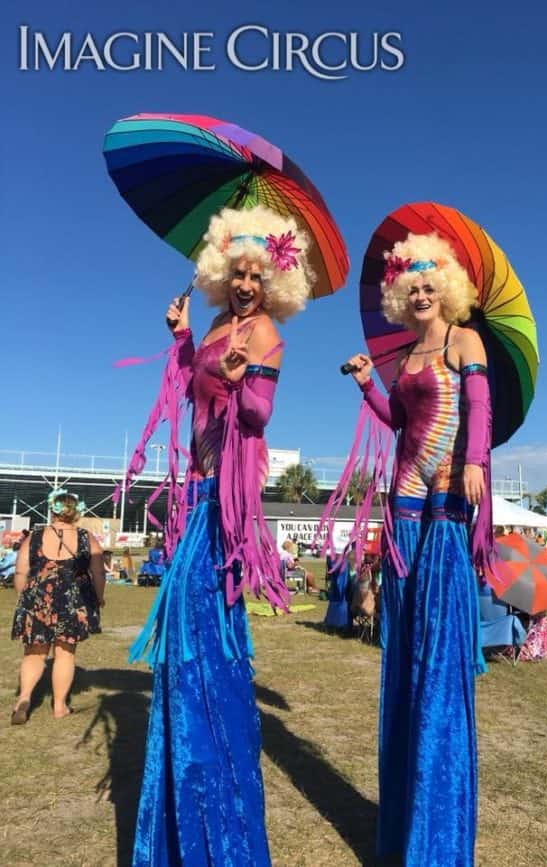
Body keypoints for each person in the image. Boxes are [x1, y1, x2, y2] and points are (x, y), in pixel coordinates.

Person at [127, 205, 315, 867]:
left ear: (271, 285)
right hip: (196, 498)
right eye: (234, 273)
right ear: (219, 276)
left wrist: (242, 377)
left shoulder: (265, 333)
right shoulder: (211, 325)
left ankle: (219, 823)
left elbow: (259, 415)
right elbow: (189, 389)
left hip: (226, 512)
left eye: (254, 276)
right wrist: (184, 337)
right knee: (182, 653)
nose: (243, 285)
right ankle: (183, 812)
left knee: (210, 652)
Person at [337, 229, 492, 865]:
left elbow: (478, 407)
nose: (423, 293)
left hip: (447, 496)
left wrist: (476, 460)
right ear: (402, 297)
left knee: (438, 641)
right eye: (413, 287)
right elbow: (398, 423)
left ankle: (438, 814)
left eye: (432, 284)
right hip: (402, 501)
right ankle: (408, 808)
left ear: (448, 290)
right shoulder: (405, 360)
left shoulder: (465, 341)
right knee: (404, 641)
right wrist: (369, 383)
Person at [10, 490, 104, 723]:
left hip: (38, 597)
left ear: (53, 510)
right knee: (64, 654)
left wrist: (25, 597)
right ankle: (60, 706)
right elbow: (99, 572)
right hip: (74, 600)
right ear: (77, 512)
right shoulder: (86, 538)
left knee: (34, 653)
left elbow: (21, 570)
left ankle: (23, 698)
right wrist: (99, 597)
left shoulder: (35, 536)